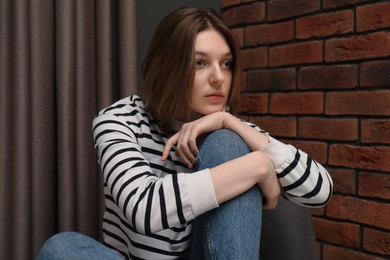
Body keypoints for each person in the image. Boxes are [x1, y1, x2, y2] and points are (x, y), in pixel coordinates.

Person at [37, 7, 333, 260]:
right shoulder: (118, 120)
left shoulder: (228, 129)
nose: (219, 77)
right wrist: (257, 166)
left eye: (226, 64)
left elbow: (320, 190)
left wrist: (232, 124)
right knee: (62, 248)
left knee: (227, 144)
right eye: (200, 63)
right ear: (167, 67)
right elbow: (144, 208)